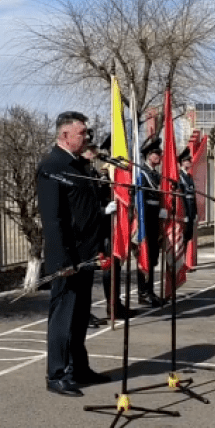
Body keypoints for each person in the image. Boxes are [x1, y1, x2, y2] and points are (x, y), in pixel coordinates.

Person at [36, 111, 110, 397]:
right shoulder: (53, 165)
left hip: (87, 254)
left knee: (80, 316)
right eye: (82, 133)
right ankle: (56, 375)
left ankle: (79, 368)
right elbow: (53, 219)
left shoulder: (79, 165)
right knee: (63, 317)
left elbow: (88, 210)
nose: (87, 137)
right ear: (65, 134)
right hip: (67, 257)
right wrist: (62, 260)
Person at [80, 138, 128, 327]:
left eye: (94, 149)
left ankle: (113, 304)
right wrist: (103, 211)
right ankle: (85, 312)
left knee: (110, 266)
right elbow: (85, 206)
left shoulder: (93, 170)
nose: (94, 152)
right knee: (88, 272)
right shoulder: (84, 172)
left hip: (104, 224)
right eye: (89, 148)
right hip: (92, 228)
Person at [136, 137, 166, 308]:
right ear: (148, 155)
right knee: (144, 255)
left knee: (153, 256)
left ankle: (150, 290)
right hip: (145, 220)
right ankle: (143, 292)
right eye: (156, 153)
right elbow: (141, 199)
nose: (159, 156)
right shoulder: (141, 174)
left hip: (155, 220)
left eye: (160, 153)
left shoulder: (156, 174)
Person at [178, 147, 198, 249]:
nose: (189, 162)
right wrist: (184, 213)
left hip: (190, 211)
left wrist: (195, 212)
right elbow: (180, 197)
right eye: (187, 161)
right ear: (182, 162)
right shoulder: (179, 176)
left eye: (190, 161)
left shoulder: (189, 177)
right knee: (183, 236)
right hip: (184, 210)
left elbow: (193, 196)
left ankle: (184, 261)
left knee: (188, 235)